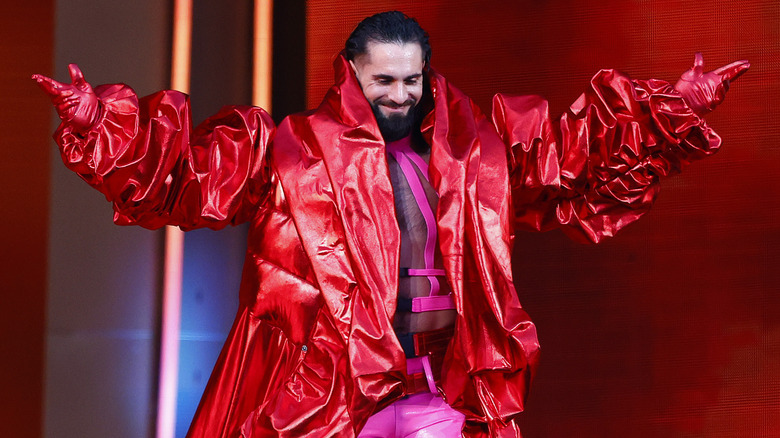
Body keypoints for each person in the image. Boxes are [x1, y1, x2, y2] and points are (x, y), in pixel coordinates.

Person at [34, 10, 748, 438]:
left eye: (412, 80)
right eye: (384, 82)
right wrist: (104, 123)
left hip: (440, 384)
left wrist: (671, 109)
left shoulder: (475, 150)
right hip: (329, 396)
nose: (401, 96)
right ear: (352, 74)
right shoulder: (289, 151)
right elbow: (189, 177)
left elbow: (572, 157)